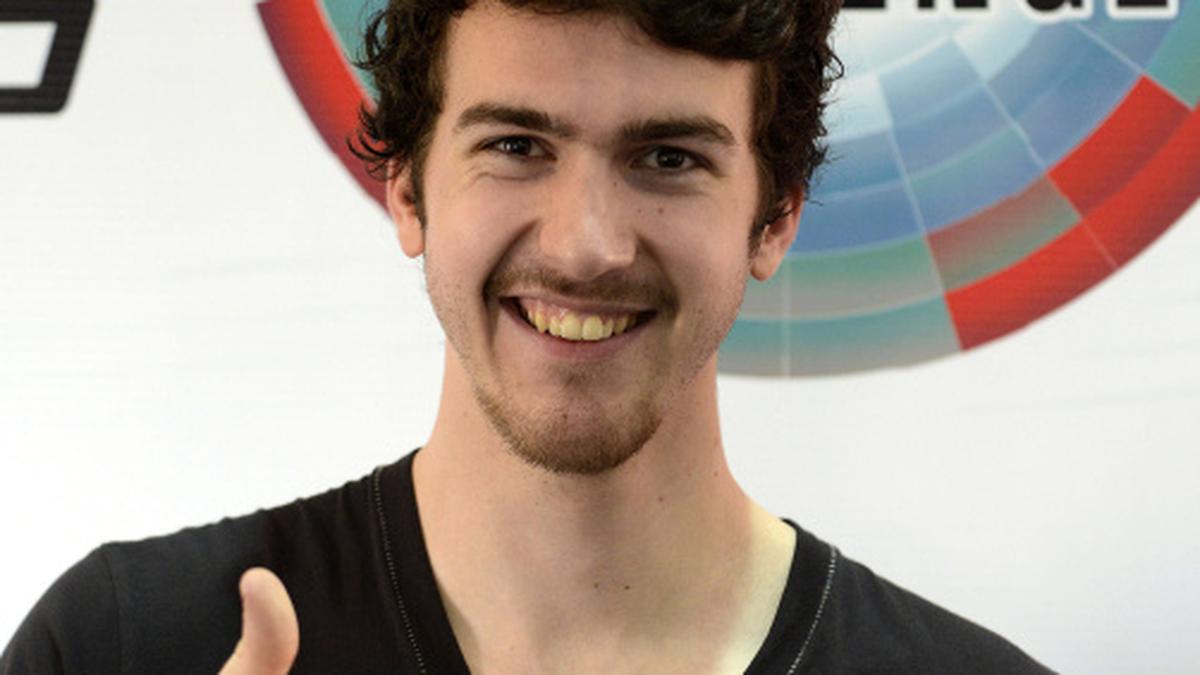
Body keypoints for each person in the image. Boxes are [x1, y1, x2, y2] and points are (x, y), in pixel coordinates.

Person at [2, 1, 1053, 673]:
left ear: (775, 216)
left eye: (669, 158)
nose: (585, 245)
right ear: (406, 187)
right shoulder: (124, 644)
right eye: (515, 146)